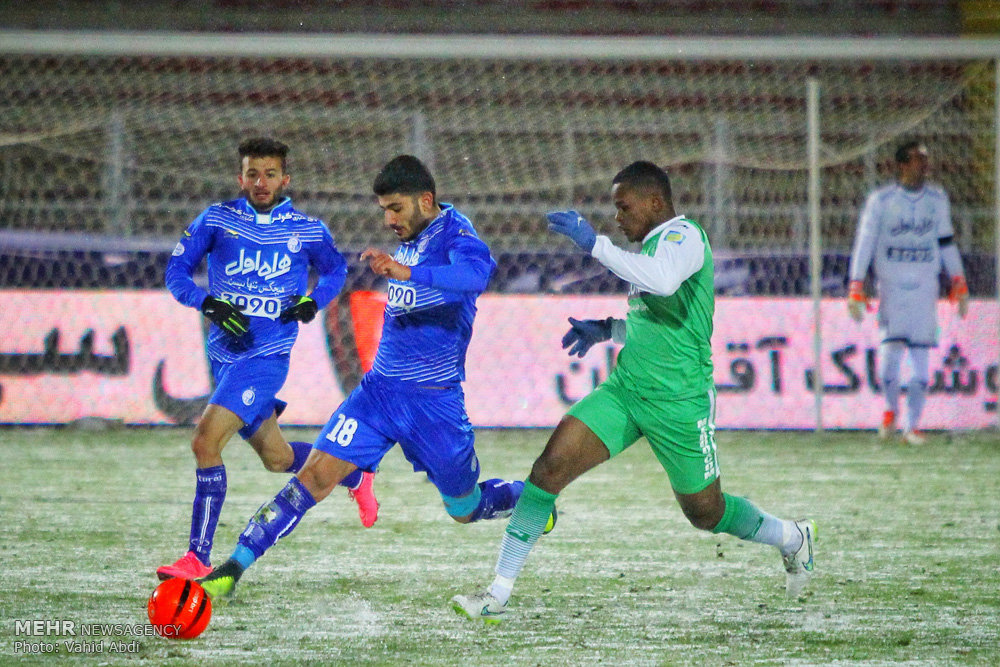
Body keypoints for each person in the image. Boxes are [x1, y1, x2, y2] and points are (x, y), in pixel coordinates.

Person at [451, 161, 816, 624]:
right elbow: (656, 320)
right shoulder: (650, 247)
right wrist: (608, 328)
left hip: (679, 403)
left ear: (656, 203)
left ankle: (792, 537)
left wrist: (592, 243)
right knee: (548, 470)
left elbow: (661, 281)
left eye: (624, 207)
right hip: (626, 392)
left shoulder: (684, 237)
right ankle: (496, 594)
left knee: (706, 512)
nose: (617, 217)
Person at [197, 154, 554, 598]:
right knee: (314, 477)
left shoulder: (457, 236)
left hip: (434, 404)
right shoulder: (411, 237)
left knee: (464, 508)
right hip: (378, 394)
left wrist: (406, 272)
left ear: (426, 200)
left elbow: (476, 275)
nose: (388, 219)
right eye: (383, 209)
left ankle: (525, 498)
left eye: (396, 208)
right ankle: (233, 567)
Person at [158, 137, 379, 581]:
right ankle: (352, 474)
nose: (262, 182)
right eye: (253, 174)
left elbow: (335, 270)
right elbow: (175, 272)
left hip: (266, 358)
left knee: (205, 442)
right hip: (225, 356)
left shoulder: (307, 229)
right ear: (241, 178)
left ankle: (197, 557)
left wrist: (313, 302)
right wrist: (207, 304)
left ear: (285, 179)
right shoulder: (217, 219)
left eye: (271, 174)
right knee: (277, 459)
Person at [847, 139, 969, 445]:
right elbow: (865, 243)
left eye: (926, 159)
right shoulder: (882, 201)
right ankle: (890, 410)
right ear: (902, 164)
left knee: (921, 368)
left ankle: (912, 427)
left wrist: (959, 280)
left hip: (925, 291)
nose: (924, 165)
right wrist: (856, 284)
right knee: (889, 363)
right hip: (892, 290)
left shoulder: (937, 199)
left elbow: (946, 242)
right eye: (918, 159)